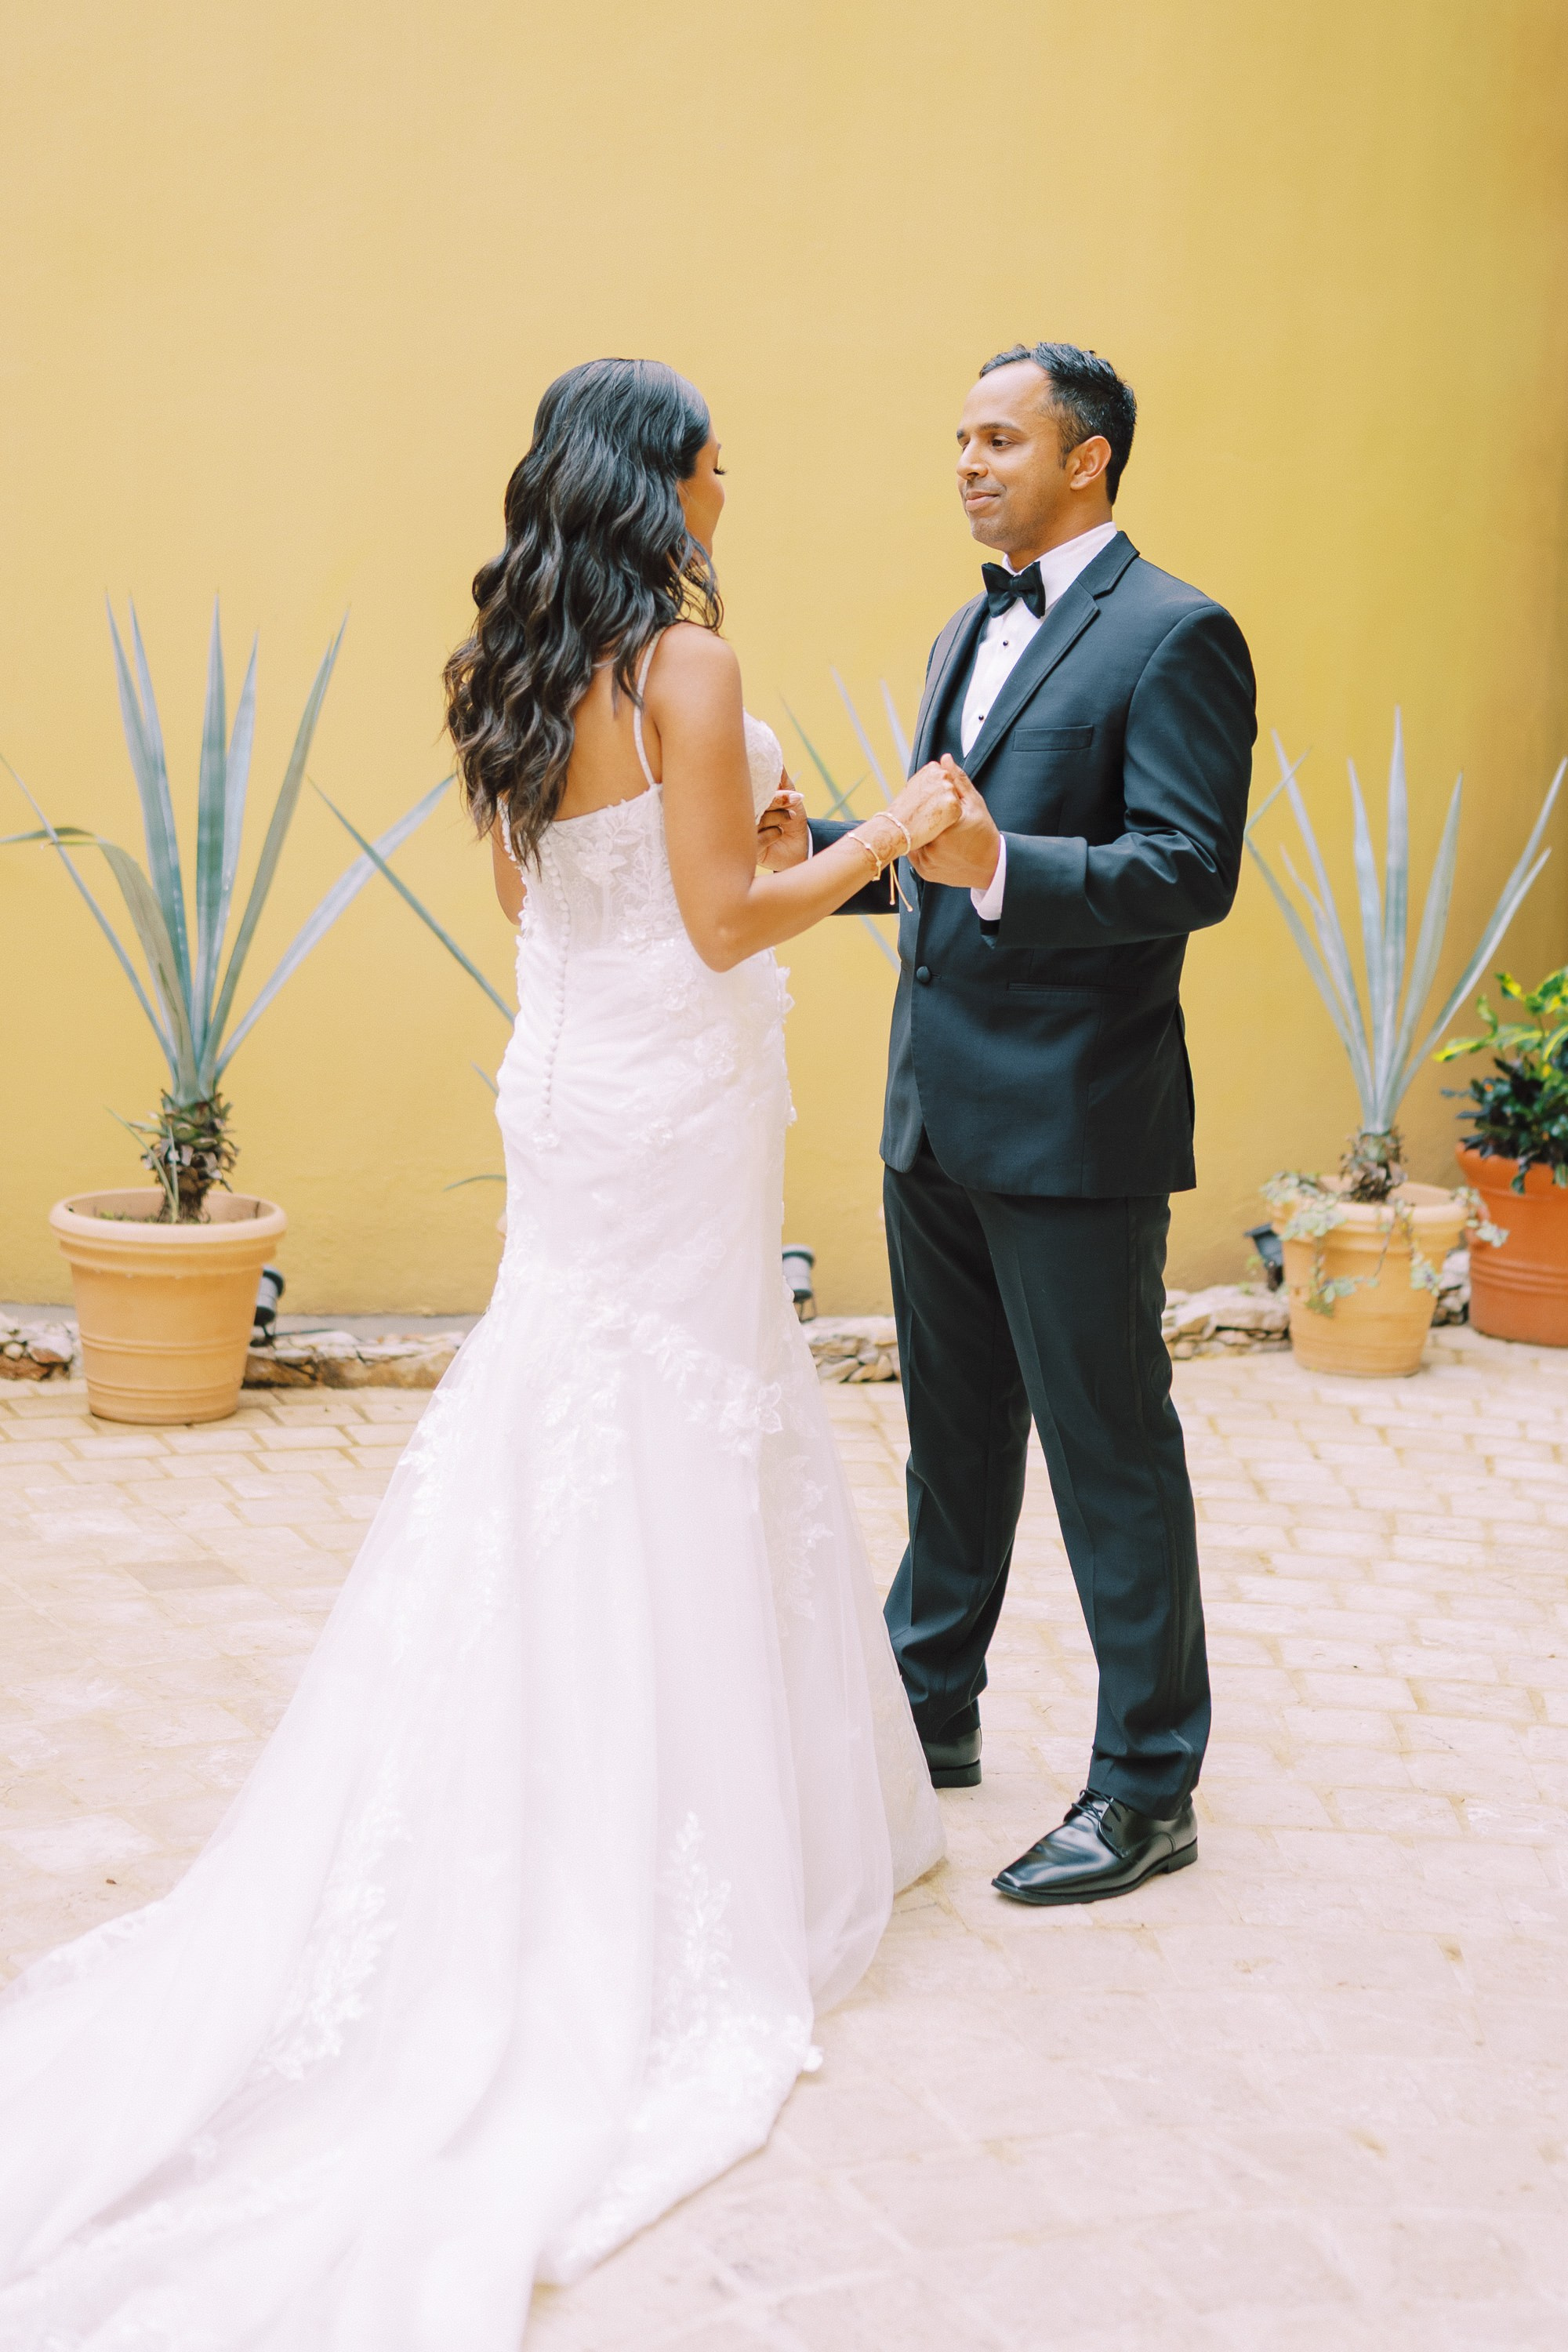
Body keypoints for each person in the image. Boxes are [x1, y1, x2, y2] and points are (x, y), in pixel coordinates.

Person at [0, 358, 955, 2349]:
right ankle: (668, 1834)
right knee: (674, 1421)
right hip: (673, 1101)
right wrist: (893, 830)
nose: (727, 496)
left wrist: (761, 841)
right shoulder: (684, 660)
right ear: (661, 483)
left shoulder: (514, 662)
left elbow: (559, 905)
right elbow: (716, 923)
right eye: (715, 468)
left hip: (571, 1089)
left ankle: (551, 1753)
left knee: (574, 1412)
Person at [795, 340, 1257, 1906]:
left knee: (1108, 1451)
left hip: (1076, 1122)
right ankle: (928, 1711)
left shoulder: (1174, 634)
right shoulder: (959, 629)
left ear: (1091, 459)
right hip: (934, 1110)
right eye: (960, 439)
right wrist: (840, 855)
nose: (969, 464)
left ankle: (1146, 1787)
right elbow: (946, 848)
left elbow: (1187, 867)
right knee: (952, 1439)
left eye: (1001, 438)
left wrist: (998, 863)